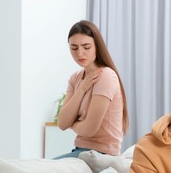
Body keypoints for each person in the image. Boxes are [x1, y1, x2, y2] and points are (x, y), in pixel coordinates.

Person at [54, 20, 129, 159]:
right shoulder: (75, 78)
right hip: (80, 152)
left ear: (97, 47)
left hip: (102, 155)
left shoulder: (106, 76)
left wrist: (73, 123)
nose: (80, 53)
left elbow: (89, 129)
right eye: (74, 48)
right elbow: (63, 123)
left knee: (46, 171)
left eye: (86, 47)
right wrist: (82, 89)